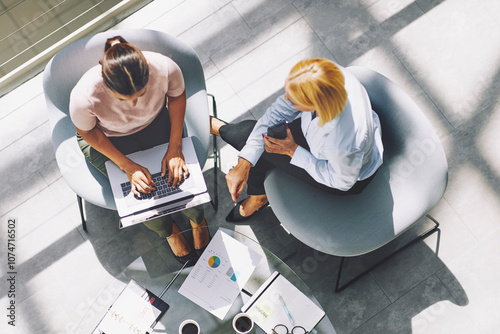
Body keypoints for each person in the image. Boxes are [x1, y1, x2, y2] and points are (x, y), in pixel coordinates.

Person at [69, 36, 209, 263]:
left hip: (155, 121)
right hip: (105, 138)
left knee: (182, 178)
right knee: (141, 197)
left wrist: (175, 146)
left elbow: (177, 96)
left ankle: (197, 220)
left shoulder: (164, 67)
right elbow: (88, 132)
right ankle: (169, 231)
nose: (134, 105)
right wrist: (127, 166)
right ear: (105, 82)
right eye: (124, 99)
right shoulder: (84, 96)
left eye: (140, 94)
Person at [211, 58, 384, 222]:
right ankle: (227, 133)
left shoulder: (345, 145)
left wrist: (292, 151)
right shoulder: (324, 73)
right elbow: (278, 112)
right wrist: (244, 163)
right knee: (254, 141)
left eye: (294, 101)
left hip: (339, 174)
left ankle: (258, 197)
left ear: (317, 105)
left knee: (248, 135)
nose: (286, 99)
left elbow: (341, 182)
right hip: (317, 139)